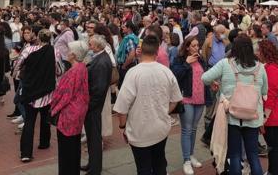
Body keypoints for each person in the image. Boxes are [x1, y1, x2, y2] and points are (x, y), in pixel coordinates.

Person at [114, 34, 183, 175]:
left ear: (141, 50)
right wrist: (165, 111)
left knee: (144, 167)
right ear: (157, 52)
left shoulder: (133, 73)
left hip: (140, 131)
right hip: (160, 128)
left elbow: (122, 107)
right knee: (159, 163)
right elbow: (176, 99)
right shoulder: (166, 72)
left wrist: (123, 126)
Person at [202, 34, 268, 175]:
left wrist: (216, 83)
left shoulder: (225, 64)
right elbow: (264, 91)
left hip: (232, 115)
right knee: (253, 156)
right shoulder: (260, 68)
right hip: (253, 115)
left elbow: (205, 78)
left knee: (234, 155)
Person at [18, 29, 59, 163]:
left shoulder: (29, 50)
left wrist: (20, 73)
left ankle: (26, 153)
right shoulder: (55, 51)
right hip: (47, 90)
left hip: (31, 89)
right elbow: (59, 70)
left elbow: (18, 64)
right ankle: (44, 142)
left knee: (29, 121)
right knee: (45, 117)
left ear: (38, 38)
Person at [171, 36, 210, 175]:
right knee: (187, 129)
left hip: (200, 98)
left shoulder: (200, 59)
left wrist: (212, 82)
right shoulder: (180, 59)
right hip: (186, 98)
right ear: (187, 47)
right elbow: (175, 76)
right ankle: (186, 160)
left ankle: (191, 155)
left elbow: (204, 76)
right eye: (193, 45)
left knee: (193, 129)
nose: (196, 48)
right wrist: (186, 64)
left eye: (197, 45)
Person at [51, 40, 90, 175]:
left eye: (68, 50)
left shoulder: (73, 71)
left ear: (73, 54)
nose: (66, 52)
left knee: (66, 150)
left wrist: (53, 109)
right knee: (74, 147)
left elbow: (62, 95)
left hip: (69, 115)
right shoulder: (82, 67)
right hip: (78, 112)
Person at [82, 35, 112, 175]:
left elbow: (98, 90)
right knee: (92, 137)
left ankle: (95, 169)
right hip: (93, 105)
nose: (89, 45)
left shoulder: (101, 62)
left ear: (97, 46)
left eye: (91, 44)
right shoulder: (99, 57)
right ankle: (92, 164)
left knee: (94, 138)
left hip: (93, 107)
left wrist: (88, 106)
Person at [258, 39, 278, 175]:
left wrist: (265, 116)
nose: (256, 52)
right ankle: (272, 171)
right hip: (273, 113)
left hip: (273, 114)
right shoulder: (271, 67)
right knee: (272, 145)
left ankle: (274, 172)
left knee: (273, 146)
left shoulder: (271, 69)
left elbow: (270, 95)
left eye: (259, 50)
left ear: (264, 52)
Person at [116, 21, 139, 88]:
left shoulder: (129, 39)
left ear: (129, 29)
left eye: (124, 27)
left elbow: (132, 54)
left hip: (127, 67)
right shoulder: (131, 37)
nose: (122, 28)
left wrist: (124, 65)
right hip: (128, 66)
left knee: (125, 87)